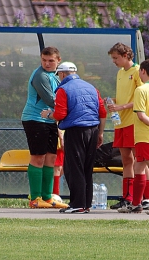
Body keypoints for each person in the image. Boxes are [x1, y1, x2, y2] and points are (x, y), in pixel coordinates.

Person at [41, 61, 107, 213]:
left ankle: (77, 204)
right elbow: (102, 112)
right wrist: (100, 133)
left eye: (59, 75)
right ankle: (86, 204)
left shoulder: (63, 89)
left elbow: (60, 114)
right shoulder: (92, 87)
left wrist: (48, 114)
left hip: (75, 130)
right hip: (93, 129)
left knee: (73, 167)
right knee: (86, 168)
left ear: (62, 74)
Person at [21, 46, 68, 209]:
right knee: (38, 157)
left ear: (58, 61)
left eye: (51, 61)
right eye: (44, 60)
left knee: (51, 158)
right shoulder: (40, 75)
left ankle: (47, 198)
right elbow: (51, 100)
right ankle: (35, 198)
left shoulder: (56, 76)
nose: (47, 64)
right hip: (35, 119)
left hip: (50, 121)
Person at [107, 42, 149, 211]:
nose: (114, 61)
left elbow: (140, 99)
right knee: (126, 161)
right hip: (120, 122)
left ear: (126, 56)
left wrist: (122, 107)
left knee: (141, 161)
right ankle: (128, 197)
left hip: (134, 122)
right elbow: (125, 97)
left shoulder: (138, 71)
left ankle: (145, 198)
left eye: (116, 58)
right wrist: (113, 103)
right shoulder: (119, 73)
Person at [117, 59, 149, 213]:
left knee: (139, 166)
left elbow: (142, 116)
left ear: (142, 71)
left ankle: (137, 203)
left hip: (144, 136)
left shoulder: (141, 90)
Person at [53, 129, 64, 196]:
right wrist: (61, 138)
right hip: (57, 146)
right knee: (57, 169)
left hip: (67, 144)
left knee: (61, 170)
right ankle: (55, 194)